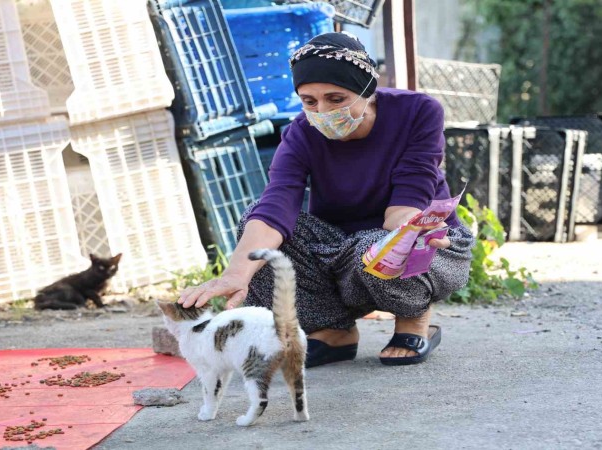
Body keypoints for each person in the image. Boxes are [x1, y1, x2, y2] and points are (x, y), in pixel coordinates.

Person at [178, 32, 475, 367]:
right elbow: (277, 205)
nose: (322, 111)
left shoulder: (417, 111)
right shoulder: (300, 134)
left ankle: (413, 318)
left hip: (428, 241)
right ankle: (332, 330)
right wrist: (236, 273)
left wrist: (409, 232)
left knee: (377, 248)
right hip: (341, 249)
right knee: (256, 227)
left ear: (367, 90)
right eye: (309, 101)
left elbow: (411, 194)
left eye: (336, 99)